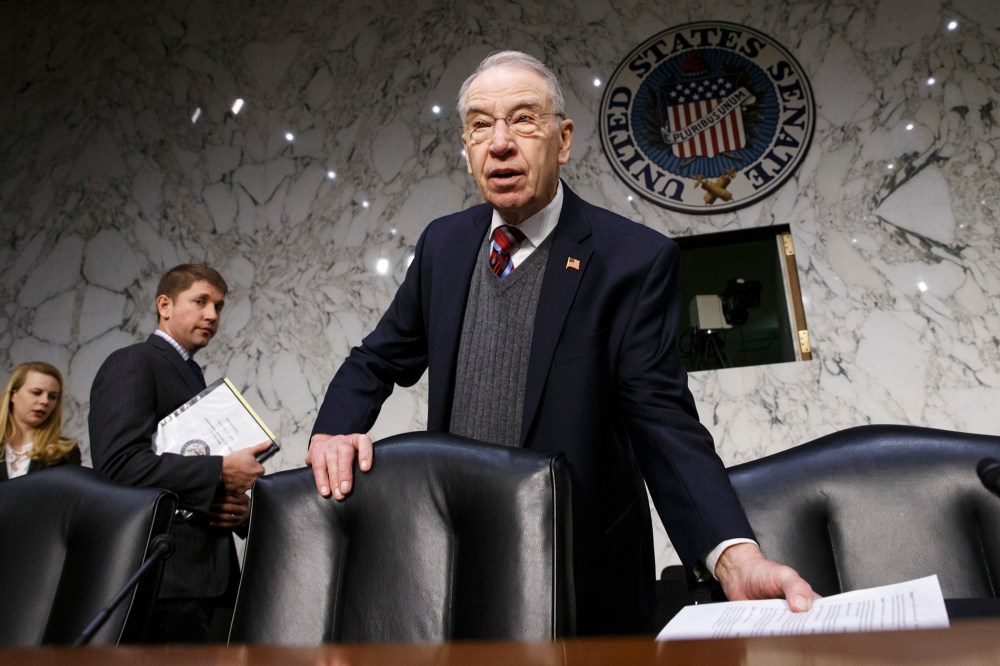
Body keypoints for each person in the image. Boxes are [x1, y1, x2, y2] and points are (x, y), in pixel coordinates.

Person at [306, 51, 818, 635]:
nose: (499, 143)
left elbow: (661, 418)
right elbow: (378, 357)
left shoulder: (633, 259)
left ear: (564, 138)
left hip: (580, 576)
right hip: (454, 563)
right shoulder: (444, 246)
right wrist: (335, 427)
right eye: (479, 125)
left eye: (523, 119)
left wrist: (734, 556)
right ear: (467, 147)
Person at [89, 263, 270, 642]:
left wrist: (239, 510)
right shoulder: (133, 362)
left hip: (205, 580)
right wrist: (219, 472)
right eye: (200, 301)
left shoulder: (191, 373)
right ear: (165, 305)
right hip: (161, 577)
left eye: (219, 306)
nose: (212, 315)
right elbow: (120, 466)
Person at [0, 361, 81, 480]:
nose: (45, 401)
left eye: (52, 396)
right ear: (13, 395)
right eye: (36, 393)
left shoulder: (65, 452)